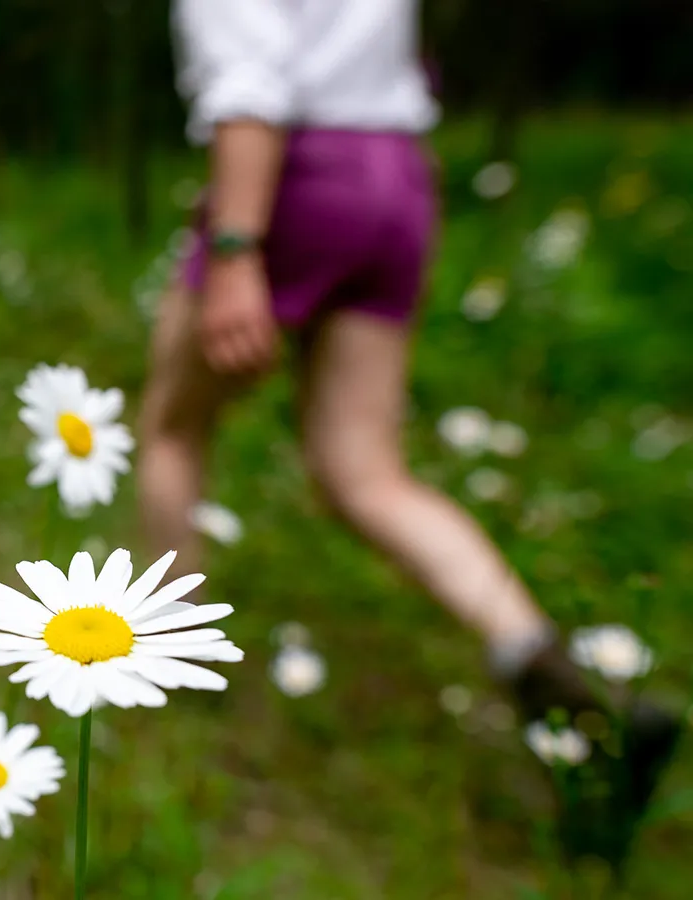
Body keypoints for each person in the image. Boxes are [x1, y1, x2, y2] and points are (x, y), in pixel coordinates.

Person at [140, 0, 681, 868]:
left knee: (171, 428)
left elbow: (249, 88)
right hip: (397, 178)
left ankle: (159, 664)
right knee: (366, 474)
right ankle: (546, 666)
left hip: (294, 174)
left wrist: (236, 250)